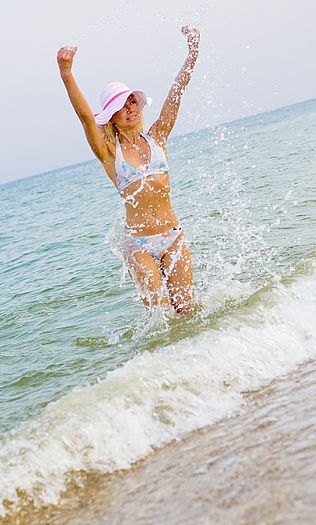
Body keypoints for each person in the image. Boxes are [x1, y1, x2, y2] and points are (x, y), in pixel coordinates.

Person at [57, 26, 200, 314]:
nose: (130, 108)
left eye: (132, 101)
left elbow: (177, 91)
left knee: (189, 312)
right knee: (160, 319)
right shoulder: (109, 154)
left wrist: (192, 53)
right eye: (121, 106)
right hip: (140, 245)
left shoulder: (157, 137)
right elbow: (86, 118)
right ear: (111, 117)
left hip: (173, 235)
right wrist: (67, 74)